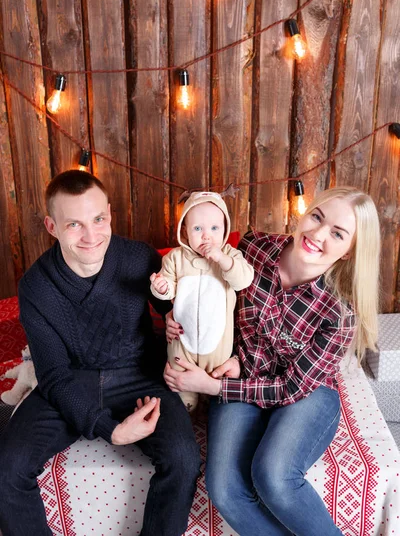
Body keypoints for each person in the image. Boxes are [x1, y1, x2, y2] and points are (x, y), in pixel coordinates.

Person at [163, 186, 381, 536]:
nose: (317, 234)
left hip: (306, 394)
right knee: (224, 488)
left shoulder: (340, 313)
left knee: (274, 476)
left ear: (350, 251)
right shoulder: (253, 248)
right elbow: (208, 292)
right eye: (317, 217)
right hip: (241, 376)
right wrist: (175, 316)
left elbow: (292, 387)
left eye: (337, 233)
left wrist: (214, 386)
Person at [0, 170, 200, 536]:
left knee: (184, 460)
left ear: (109, 213)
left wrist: (174, 315)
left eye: (98, 220)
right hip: (71, 380)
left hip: (141, 375)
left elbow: (177, 304)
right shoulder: (35, 287)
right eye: (74, 224)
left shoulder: (139, 258)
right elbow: (54, 376)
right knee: (7, 469)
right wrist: (110, 430)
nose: (91, 236)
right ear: (51, 225)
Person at [150, 191, 254, 411]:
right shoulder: (175, 258)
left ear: (225, 230)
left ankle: (211, 395)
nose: (207, 236)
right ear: (185, 233)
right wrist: (160, 288)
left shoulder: (231, 255)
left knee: (219, 371)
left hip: (217, 346)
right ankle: (186, 399)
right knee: (178, 367)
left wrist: (223, 260)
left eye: (215, 228)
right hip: (182, 340)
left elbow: (243, 279)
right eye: (198, 229)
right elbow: (167, 288)